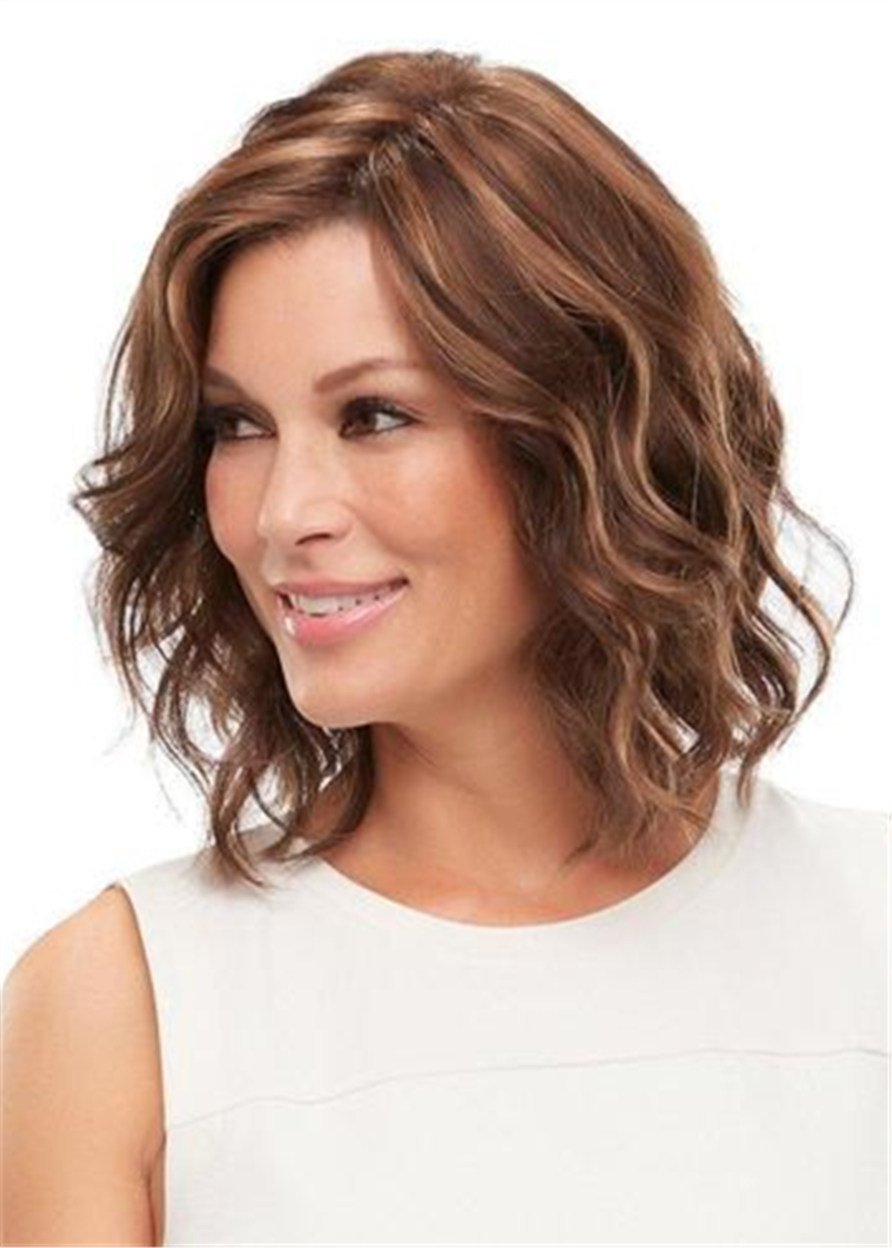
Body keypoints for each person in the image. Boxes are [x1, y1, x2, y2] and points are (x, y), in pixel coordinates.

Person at [2, 48, 887, 1246]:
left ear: (585, 435)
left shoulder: (867, 932)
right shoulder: (124, 1007)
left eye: (374, 415)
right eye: (237, 425)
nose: (282, 513)